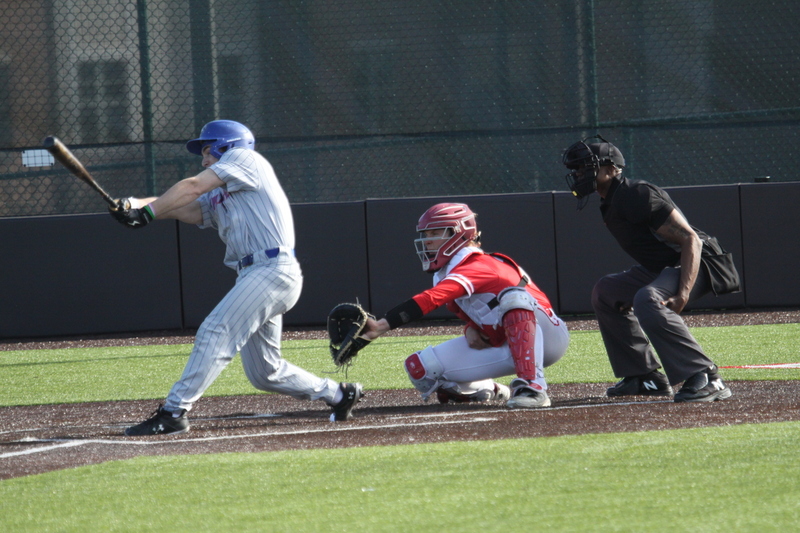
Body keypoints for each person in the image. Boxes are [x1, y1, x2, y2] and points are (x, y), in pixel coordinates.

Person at [109, 119, 363, 435]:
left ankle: (174, 412)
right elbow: (186, 208)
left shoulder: (245, 159)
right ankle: (339, 395)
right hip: (255, 276)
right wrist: (135, 204)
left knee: (215, 330)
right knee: (265, 373)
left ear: (226, 146)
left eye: (206, 150)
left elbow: (191, 187)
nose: (203, 159)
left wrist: (145, 214)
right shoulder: (224, 192)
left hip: (272, 269)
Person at [561, 135, 740, 402]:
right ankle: (644, 376)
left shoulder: (636, 193)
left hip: (702, 263)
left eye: (586, 167)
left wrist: (682, 293)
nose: (578, 173)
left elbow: (690, 239)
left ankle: (707, 376)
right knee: (606, 291)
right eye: (576, 169)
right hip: (665, 266)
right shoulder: (610, 200)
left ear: (611, 169)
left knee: (648, 298)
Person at [362, 202, 570, 408]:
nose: (427, 241)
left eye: (434, 233)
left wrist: (381, 326)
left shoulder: (480, 265)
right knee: (421, 369)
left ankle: (534, 387)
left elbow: (432, 299)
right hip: (507, 340)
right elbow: (483, 311)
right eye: (425, 235)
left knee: (514, 298)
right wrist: (471, 327)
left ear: (458, 233)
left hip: (546, 337)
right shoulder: (450, 270)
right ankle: (487, 390)